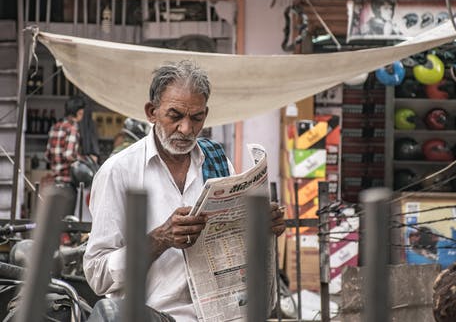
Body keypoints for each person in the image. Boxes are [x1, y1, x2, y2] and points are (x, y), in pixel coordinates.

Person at [83, 60, 286, 321]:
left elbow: (233, 240)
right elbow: (97, 274)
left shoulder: (217, 161)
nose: (186, 129)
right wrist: (159, 240)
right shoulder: (119, 172)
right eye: (175, 116)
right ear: (151, 112)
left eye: (196, 118)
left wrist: (261, 226)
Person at [45, 95, 86, 216]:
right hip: (67, 184)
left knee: (54, 221)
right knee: (67, 224)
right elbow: (69, 155)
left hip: (54, 182)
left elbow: (47, 155)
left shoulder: (55, 127)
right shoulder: (72, 128)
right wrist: (83, 159)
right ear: (79, 112)